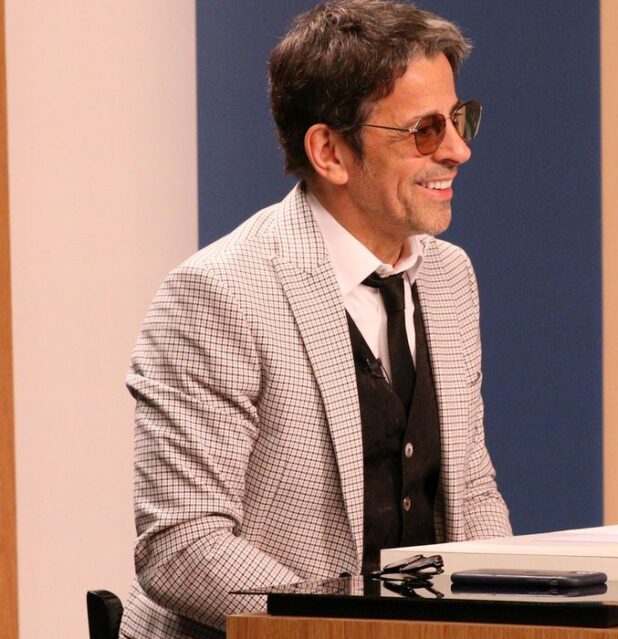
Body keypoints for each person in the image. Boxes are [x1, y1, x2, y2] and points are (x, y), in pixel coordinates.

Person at [119, 2, 511, 637]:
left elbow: (470, 492)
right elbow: (183, 545)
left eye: (459, 119)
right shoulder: (219, 294)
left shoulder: (449, 276)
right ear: (330, 151)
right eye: (424, 130)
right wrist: (346, 630)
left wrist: (508, 616)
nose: (459, 150)